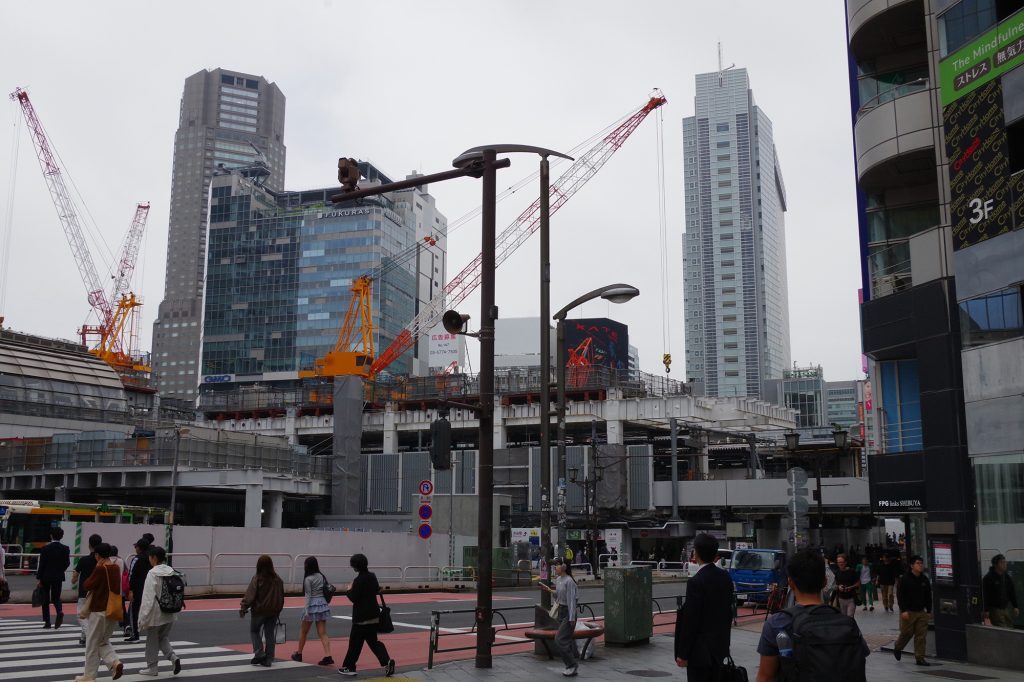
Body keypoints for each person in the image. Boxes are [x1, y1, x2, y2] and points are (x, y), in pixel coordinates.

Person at [755, 550, 869, 682]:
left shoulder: (777, 623)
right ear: (825, 582)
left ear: (791, 583)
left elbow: (765, 677)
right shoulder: (848, 624)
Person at [674, 533, 733, 682]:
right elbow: (728, 613)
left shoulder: (696, 582)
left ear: (696, 553)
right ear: (715, 554)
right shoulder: (725, 577)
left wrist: (683, 654)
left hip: (700, 653)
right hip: (720, 649)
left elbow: (691, 621)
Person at [338, 553, 395, 676]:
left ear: (355, 566)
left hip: (361, 618)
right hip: (374, 616)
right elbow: (376, 589)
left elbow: (354, 598)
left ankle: (349, 667)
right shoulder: (372, 576)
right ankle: (387, 661)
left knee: (354, 644)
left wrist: (348, 590)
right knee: (373, 642)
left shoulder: (358, 580)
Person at [78, 542, 124, 682]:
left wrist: (96, 568)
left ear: (98, 555)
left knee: (92, 644)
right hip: (112, 610)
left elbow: (87, 585)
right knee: (102, 641)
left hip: (99, 610)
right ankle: (115, 662)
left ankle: (89, 675)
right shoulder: (115, 567)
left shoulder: (100, 569)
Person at [137, 546, 182, 676]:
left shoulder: (152, 573)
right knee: (163, 637)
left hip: (156, 613)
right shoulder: (171, 571)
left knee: (151, 641)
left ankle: (152, 668)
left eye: (150, 557)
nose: (149, 559)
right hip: (170, 611)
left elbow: (148, 598)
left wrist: (142, 618)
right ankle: (173, 657)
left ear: (154, 558)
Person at [240, 555, 285, 667]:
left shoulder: (258, 578)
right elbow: (281, 596)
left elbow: (250, 595)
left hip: (259, 611)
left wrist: (244, 607)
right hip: (273, 611)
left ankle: (259, 652)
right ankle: (269, 658)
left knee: (254, 631)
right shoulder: (278, 579)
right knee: (269, 634)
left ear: (259, 565)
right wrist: (278, 610)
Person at [539, 557, 579, 677]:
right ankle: (571, 664)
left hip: (568, 612)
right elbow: (559, 597)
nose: (555, 567)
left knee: (559, 639)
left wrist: (571, 617)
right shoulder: (558, 579)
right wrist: (549, 590)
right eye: (555, 565)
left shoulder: (569, 581)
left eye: (557, 565)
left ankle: (571, 665)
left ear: (564, 567)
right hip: (561, 611)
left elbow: (572, 601)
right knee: (565, 639)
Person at [291, 556, 333, 666]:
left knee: (304, 631)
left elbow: (308, 595)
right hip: (322, 604)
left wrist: (306, 610)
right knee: (323, 633)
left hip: (312, 606)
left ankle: (299, 653)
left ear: (307, 566)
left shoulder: (308, 579)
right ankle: (328, 655)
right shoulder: (321, 576)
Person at [893, 555, 932, 667]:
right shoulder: (905, 579)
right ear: (911, 565)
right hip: (908, 611)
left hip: (921, 612)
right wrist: (903, 610)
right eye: (918, 563)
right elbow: (900, 595)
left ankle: (920, 658)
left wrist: (929, 610)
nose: (920, 565)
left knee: (921, 636)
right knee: (907, 633)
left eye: (921, 563)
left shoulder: (924, 579)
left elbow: (928, 596)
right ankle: (898, 647)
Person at [36, 526, 71, 629]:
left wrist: (39, 578)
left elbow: (42, 564)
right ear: (61, 536)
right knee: (56, 597)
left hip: (46, 576)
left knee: (45, 599)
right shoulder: (65, 549)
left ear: (51, 536)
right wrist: (61, 570)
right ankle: (59, 611)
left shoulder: (45, 548)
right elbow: (67, 563)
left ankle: (47, 622)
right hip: (58, 576)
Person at [72, 534, 102, 646]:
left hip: (84, 592)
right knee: (91, 616)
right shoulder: (102, 561)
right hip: (98, 592)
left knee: (81, 615)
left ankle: (89, 635)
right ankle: (83, 637)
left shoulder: (83, 560)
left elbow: (75, 576)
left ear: (89, 545)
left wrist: (74, 580)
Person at [126, 535, 154, 642]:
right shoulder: (151, 559)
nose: (135, 548)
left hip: (137, 589)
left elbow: (131, 575)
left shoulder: (136, 559)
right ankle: (153, 634)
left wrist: (130, 590)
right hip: (149, 589)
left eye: (136, 547)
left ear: (139, 548)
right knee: (150, 611)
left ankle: (135, 634)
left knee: (134, 611)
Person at [982, 553, 1019, 628]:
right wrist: (986, 610)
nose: (1005, 564)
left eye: (1005, 562)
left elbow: (1011, 592)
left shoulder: (1006, 577)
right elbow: (985, 595)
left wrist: (1015, 606)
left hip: (1006, 608)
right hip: (994, 609)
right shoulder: (988, 578)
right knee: (1002, 629)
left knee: (1010, 627)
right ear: (995, 565)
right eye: (1002, 562)